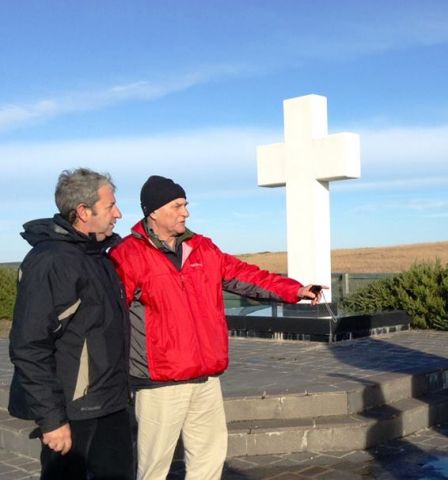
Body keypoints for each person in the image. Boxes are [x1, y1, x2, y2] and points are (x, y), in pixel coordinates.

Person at [109, 175, 322, 480]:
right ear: (154, 211)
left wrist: (296, 290)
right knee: (154, 467)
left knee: (208, 459)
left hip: (205, 378)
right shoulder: (127, 255)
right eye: (178, 205)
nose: (186, 212)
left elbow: (248, 276)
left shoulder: (203, 248)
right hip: (160, 382)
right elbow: (112, 319)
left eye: (186, 204)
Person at [8, 168, 133, 479]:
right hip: (74, 412)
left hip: (111, 404)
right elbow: (29, 345)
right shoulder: (51, 261)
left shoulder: (97, 256)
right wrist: (52, 419)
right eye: (110, 206)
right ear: (82, 211)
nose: (118, 213)